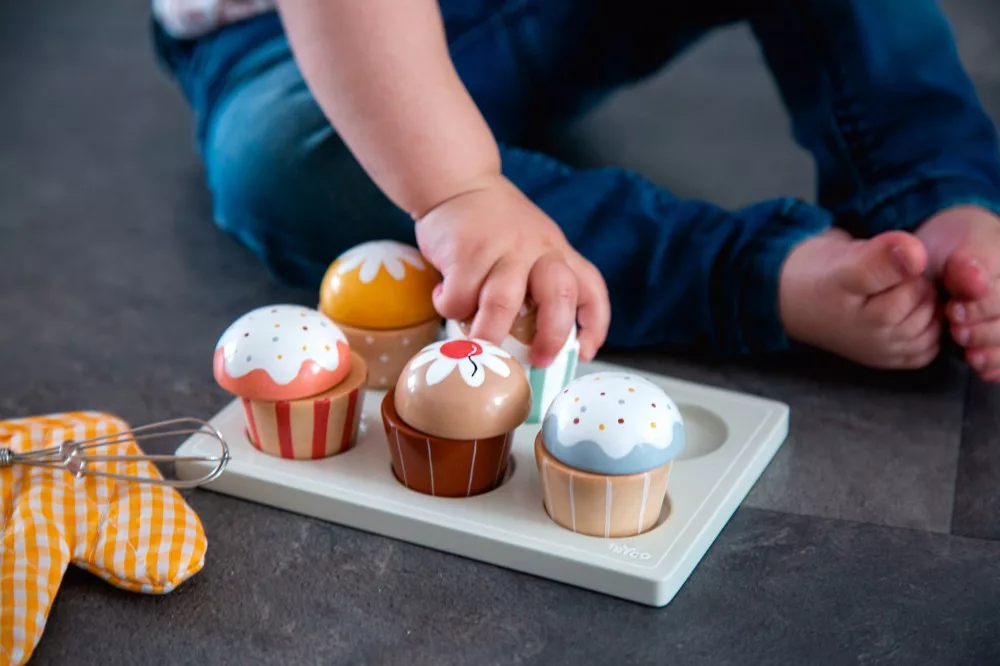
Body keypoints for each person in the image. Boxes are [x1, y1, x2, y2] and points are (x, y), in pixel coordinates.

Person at [150, 0, 1000, 381]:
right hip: (300, 48)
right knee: (284, 167)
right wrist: (459, 190)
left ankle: (932, 190)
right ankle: (754, 275)